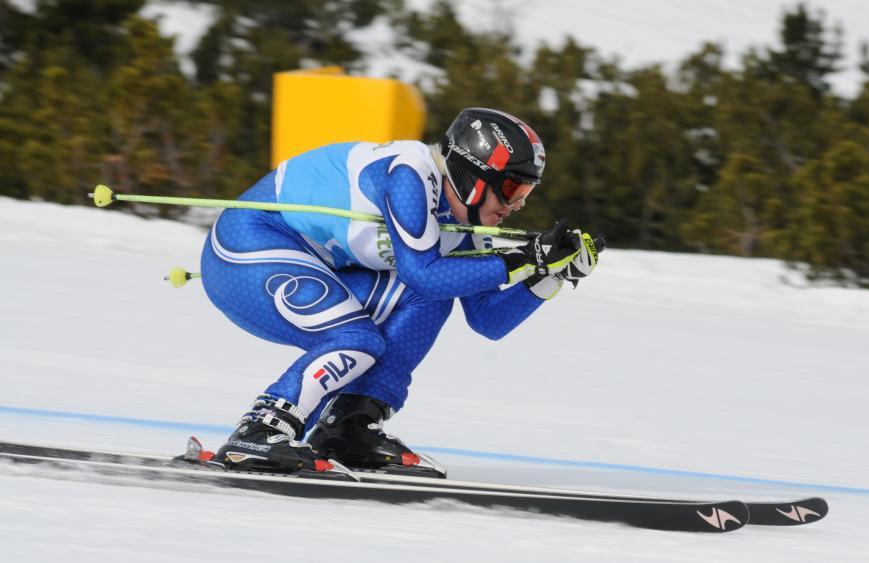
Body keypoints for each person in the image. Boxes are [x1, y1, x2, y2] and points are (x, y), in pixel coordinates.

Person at [200, 107, 603, 475]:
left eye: (526, 195)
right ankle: (260, 429)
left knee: (430, 300)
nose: (516, 206)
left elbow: (488, 320)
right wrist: (524, 258)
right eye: (512, 189)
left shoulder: (463, 222)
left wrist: (550, 274)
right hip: (246, 247)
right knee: (356, 339)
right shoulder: (410, 173)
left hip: (302, 259)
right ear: (471, 174)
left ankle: (348, 426)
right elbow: (423, 272)